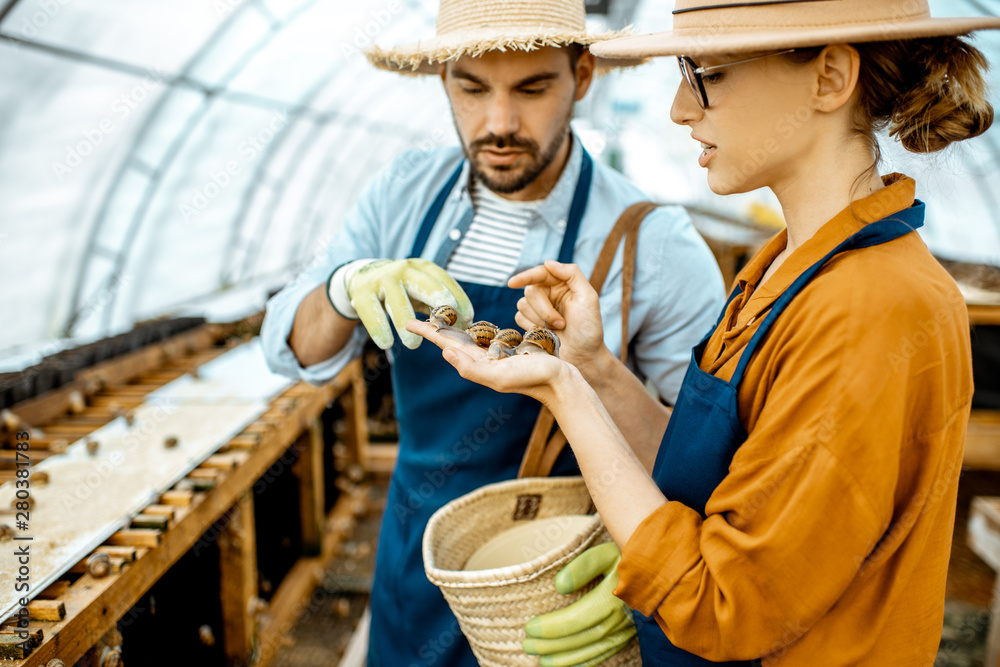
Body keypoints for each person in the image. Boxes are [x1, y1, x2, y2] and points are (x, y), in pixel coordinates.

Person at [409, 0, 1000, 664]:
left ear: (829, 78)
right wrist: (592, 368)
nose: (679, 110)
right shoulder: (781, 267)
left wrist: (563, 393)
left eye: (705, 74)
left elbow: (728, 601)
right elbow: (721, 480)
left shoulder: (872, 307)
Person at [259, 0, 726, 664]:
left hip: (552, 585)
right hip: (413, 566)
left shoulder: (650, 241)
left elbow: (704, 468)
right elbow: (292, 348)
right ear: (442, 78)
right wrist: (342, 286)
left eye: (533, 88)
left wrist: (592, 367)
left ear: (583, 75)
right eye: (471, 88)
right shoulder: (402, 193)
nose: (499, 123)